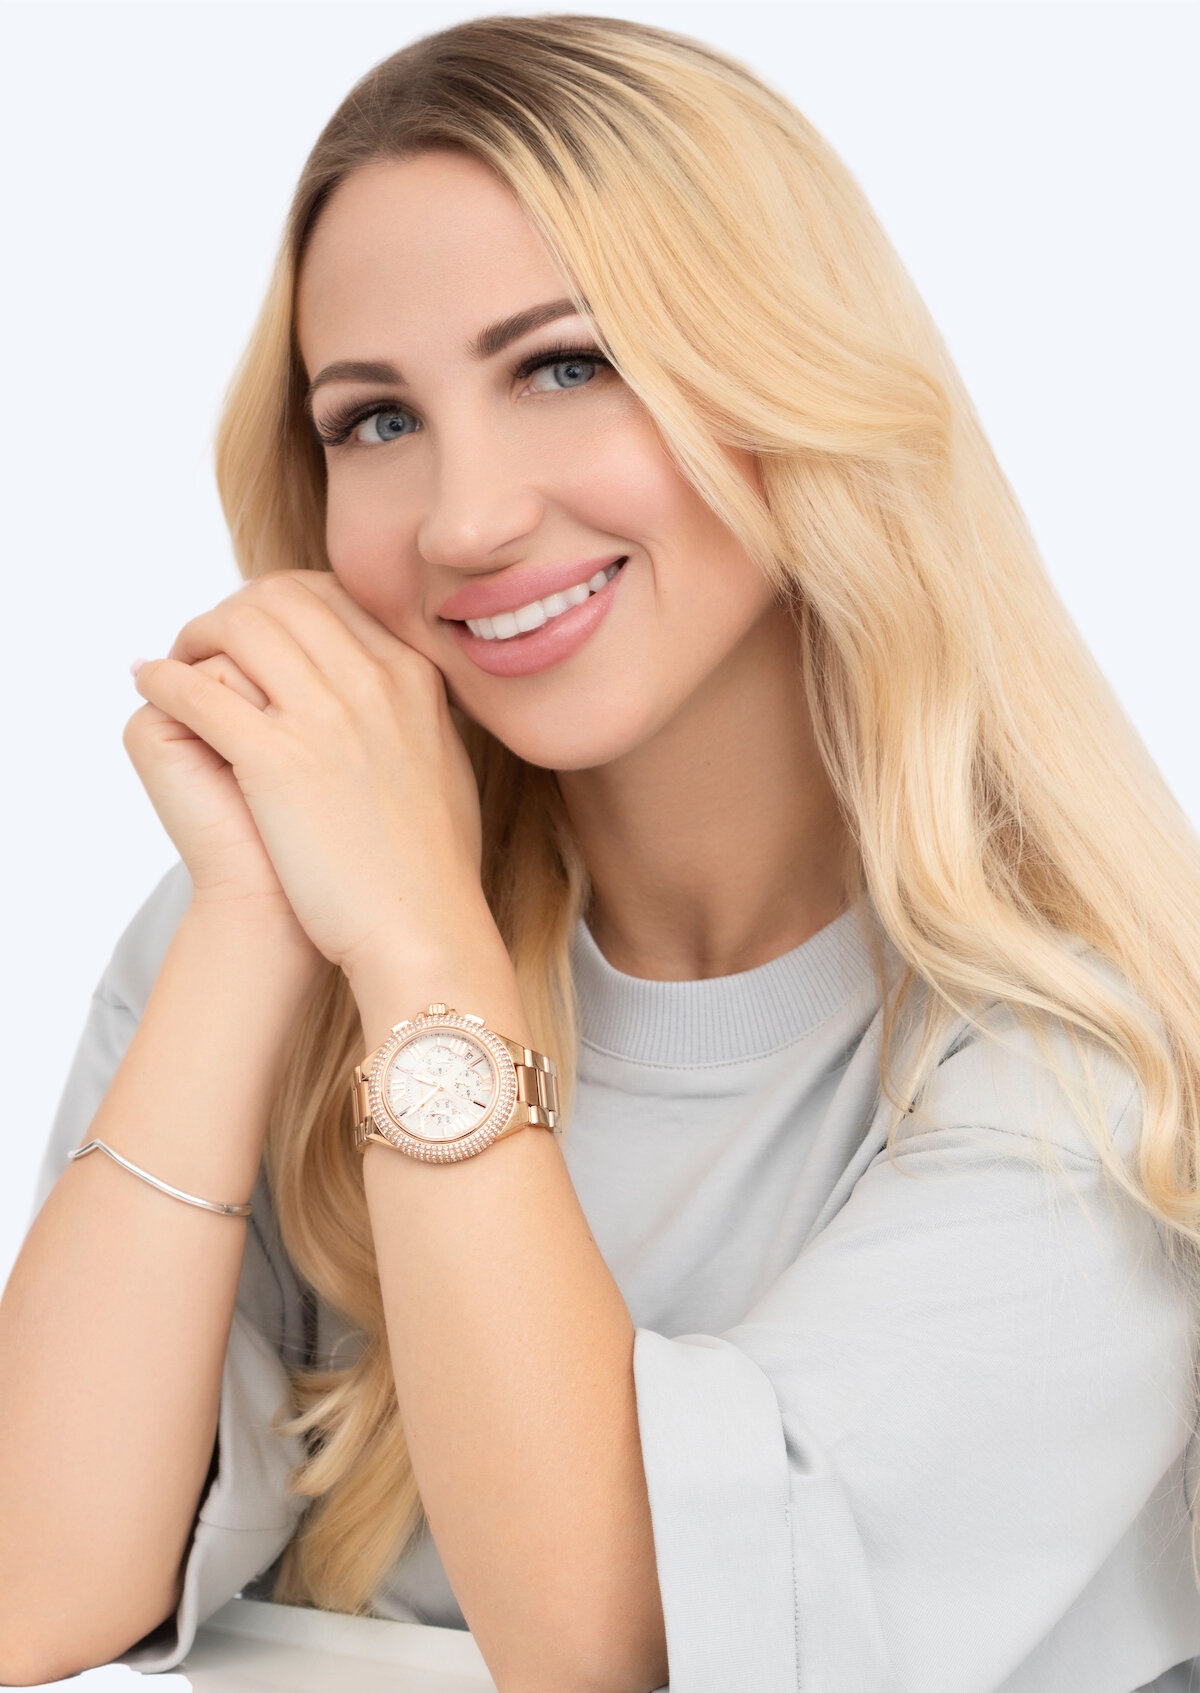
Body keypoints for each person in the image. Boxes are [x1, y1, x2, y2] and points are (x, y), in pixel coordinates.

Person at [3, 12, 1199, 1690]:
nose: (466, 517)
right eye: (375, 419)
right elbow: (31, 1581)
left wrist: (421, 954)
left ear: (787, 377)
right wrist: (261, 918)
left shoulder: (1097, 1059)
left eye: (565, 366)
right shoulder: (287, 924)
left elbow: (623, 1650)